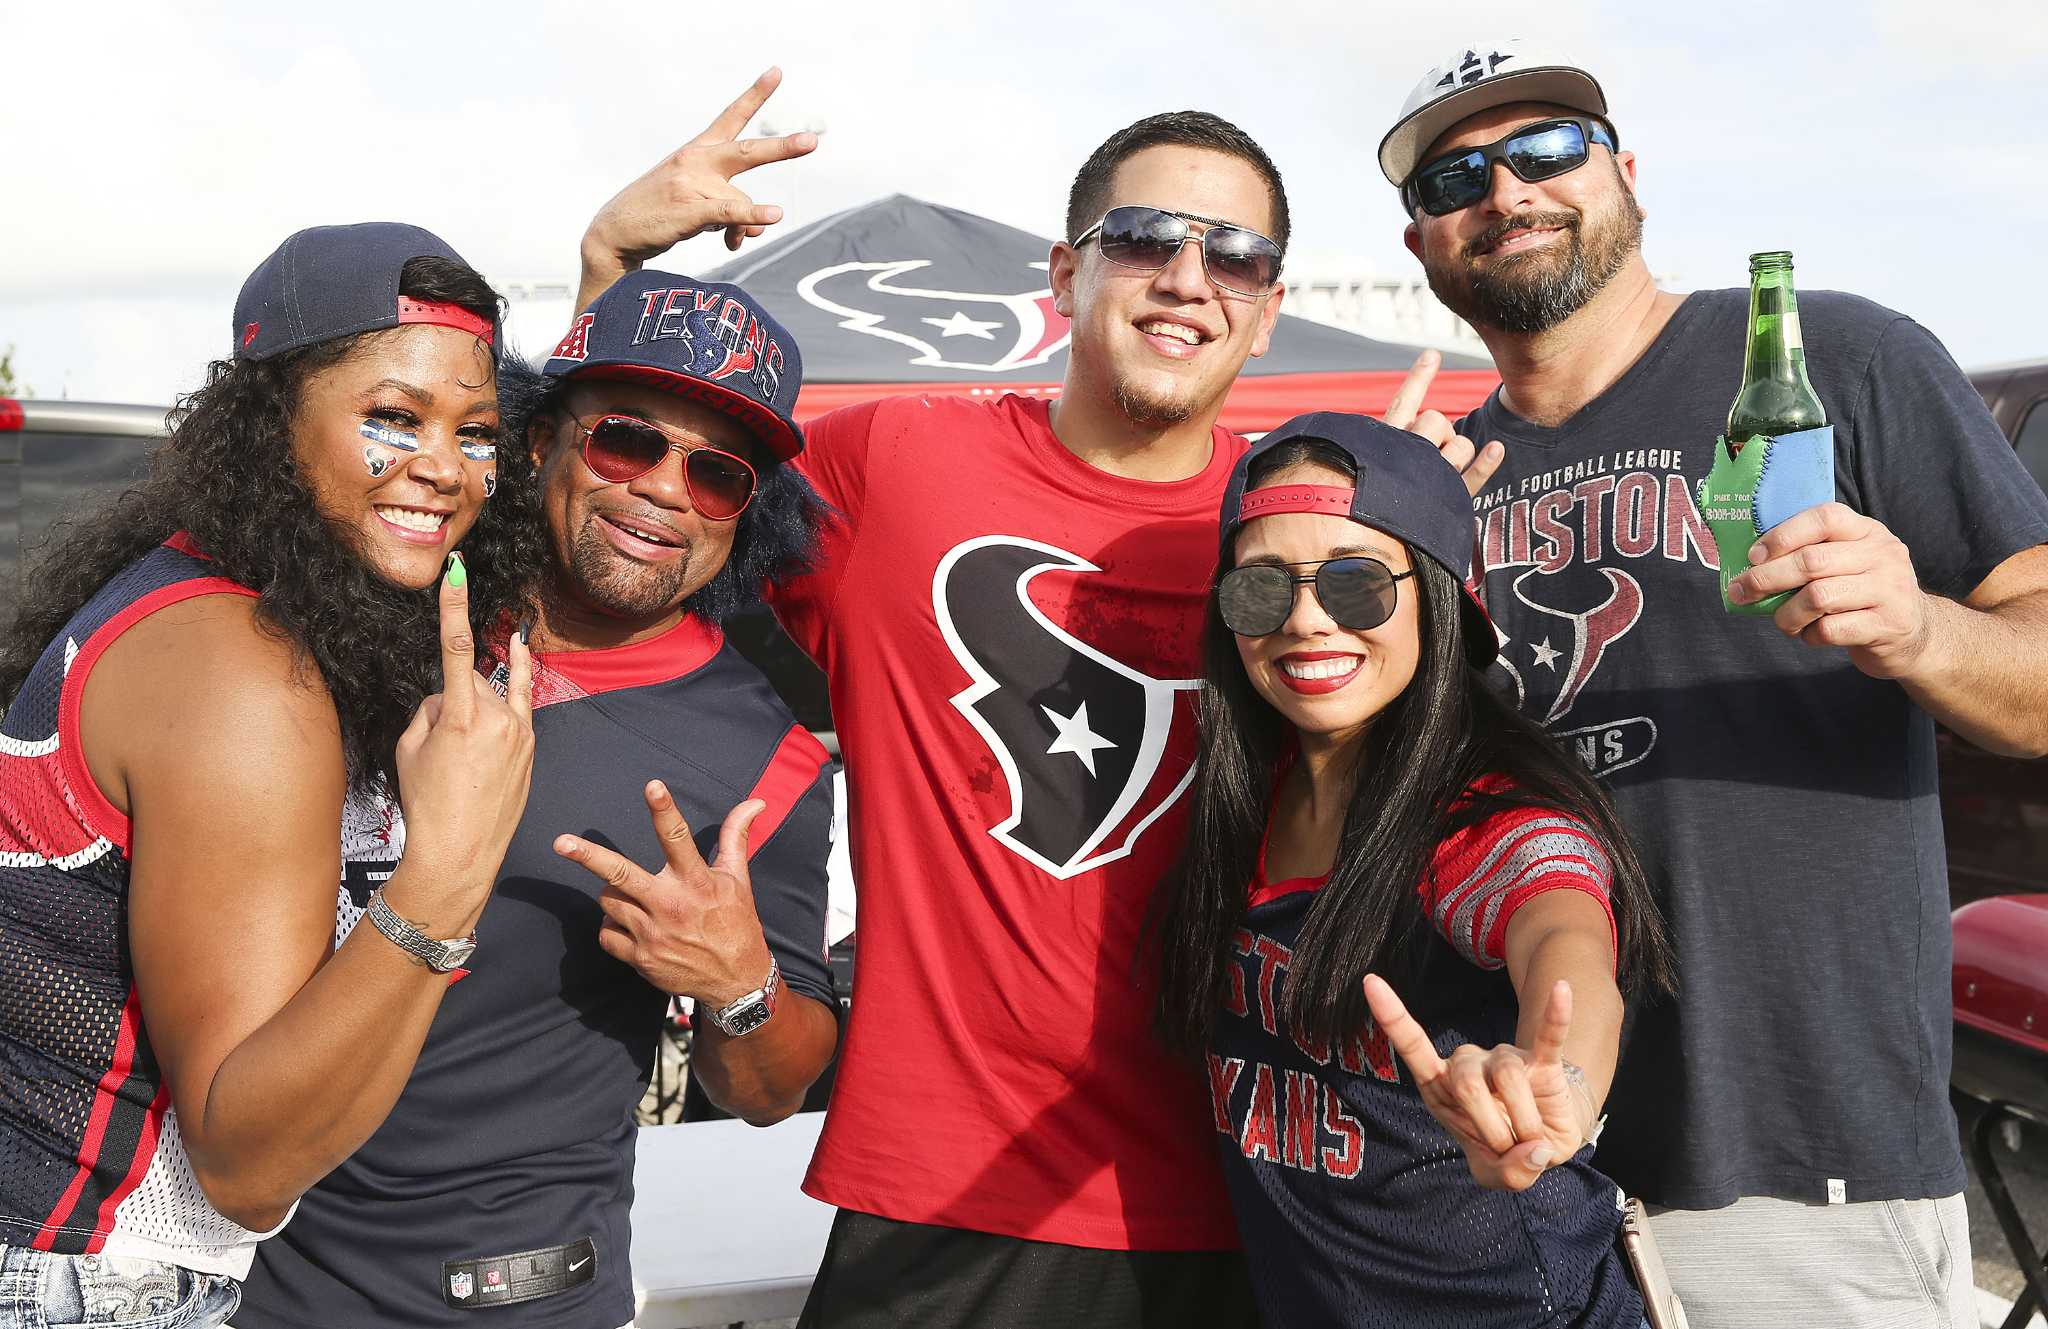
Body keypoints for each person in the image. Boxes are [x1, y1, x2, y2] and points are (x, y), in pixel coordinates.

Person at [573, 75, 1334, 1326]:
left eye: (1235, 255)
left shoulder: (1298, 536)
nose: (1189, 278)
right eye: (1144, 239)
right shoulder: (896, 461)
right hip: (946, 1203)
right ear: (1063, 274)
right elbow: (643, 500)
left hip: (1254, 1199)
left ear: (1266, 308)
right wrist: (612, 273)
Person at [1378, 38, 2048, 1326]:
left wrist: (1914, 629)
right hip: (1519, 1164)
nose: (1504, 191)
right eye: (1452, 178)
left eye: (1544, 150)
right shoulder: (1445, 485)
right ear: (1422, 246)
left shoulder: (1821, 359)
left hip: (1801, 1163)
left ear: (1625, 174)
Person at [232, 261, 841, 1329]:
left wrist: (738, 984)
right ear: (534, 442)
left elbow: (769, 1093)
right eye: (626, 439)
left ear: (745, 516)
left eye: (717, 475)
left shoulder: (764, 754)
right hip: (220, 1268)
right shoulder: (373, 601)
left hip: (510, 1297)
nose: (663, 488)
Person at [0, 222, 539, 1327]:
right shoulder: (243, 674)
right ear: (270, 425)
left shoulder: (228, 602)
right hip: (89, 1279)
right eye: (393, 417)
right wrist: (452, 866)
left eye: (475, 431)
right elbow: (245, 1159)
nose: (443, 467)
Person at [1152, 411, 1672, 1328]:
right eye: (1259, 590)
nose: (1306, 618)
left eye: (1356, 584)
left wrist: (1559, 1088)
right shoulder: (1244, 797)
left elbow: (1562, 932)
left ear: (1440, 595)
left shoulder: (1479, 813)